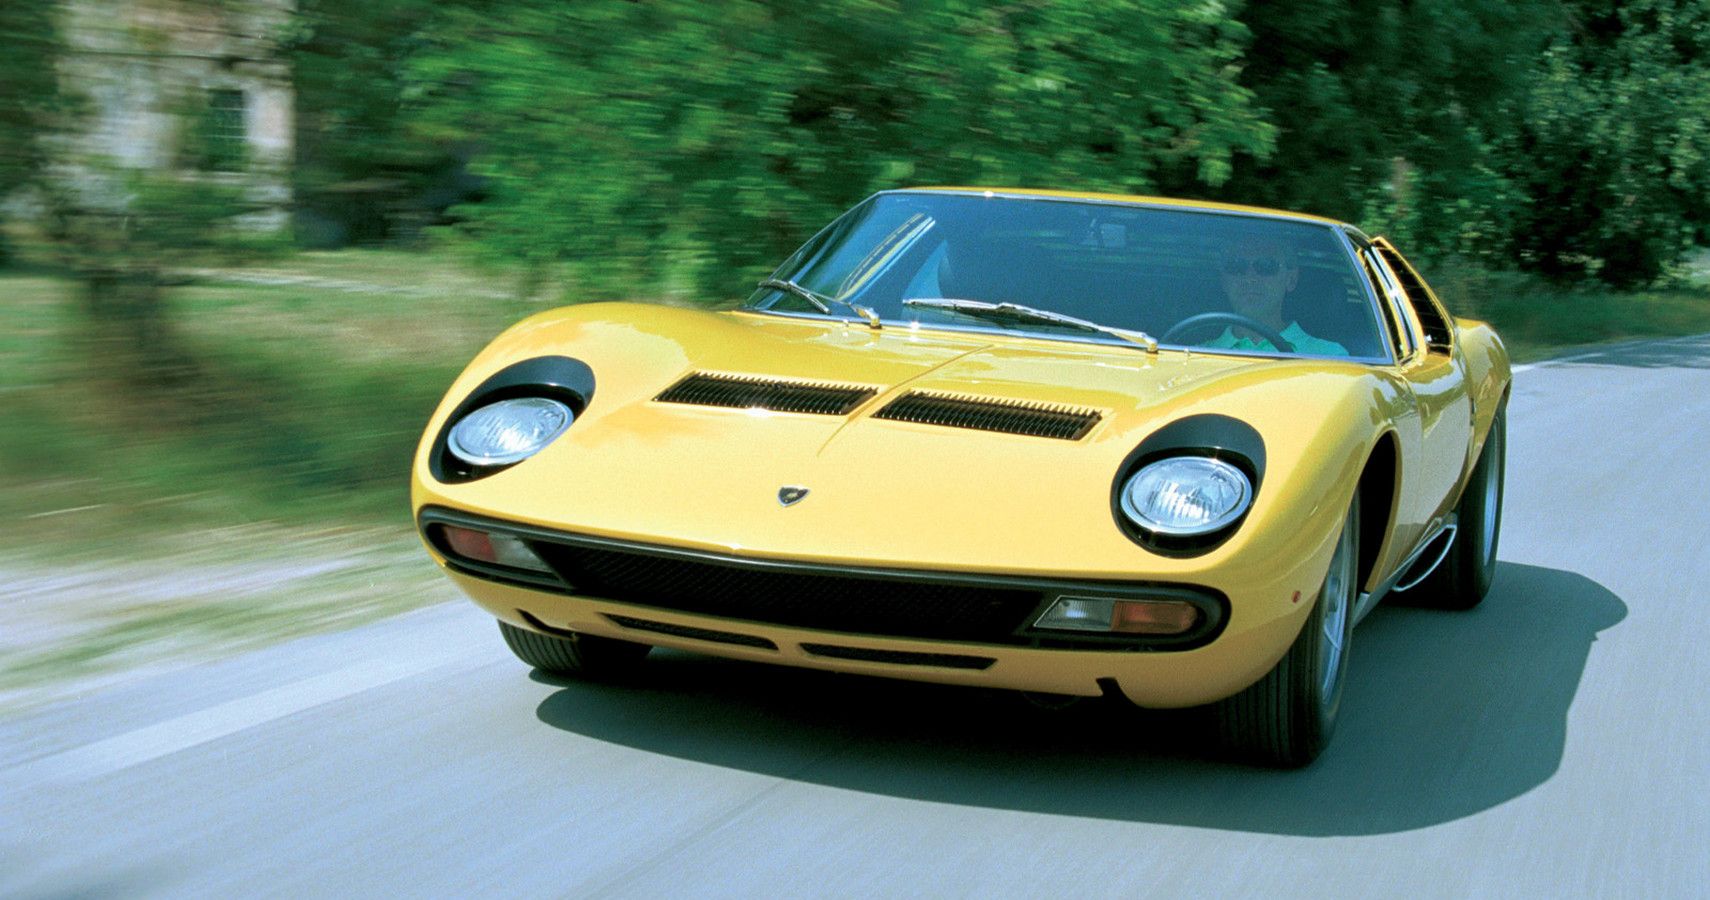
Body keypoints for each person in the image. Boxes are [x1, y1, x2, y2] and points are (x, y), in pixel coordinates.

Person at [1205, 236, 1348, 356]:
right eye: (1236, 266)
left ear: (1291, 279)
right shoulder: (1195, 355)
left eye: (1266, 266)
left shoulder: (1330, 356)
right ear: (1223, 280)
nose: (1250, 278)